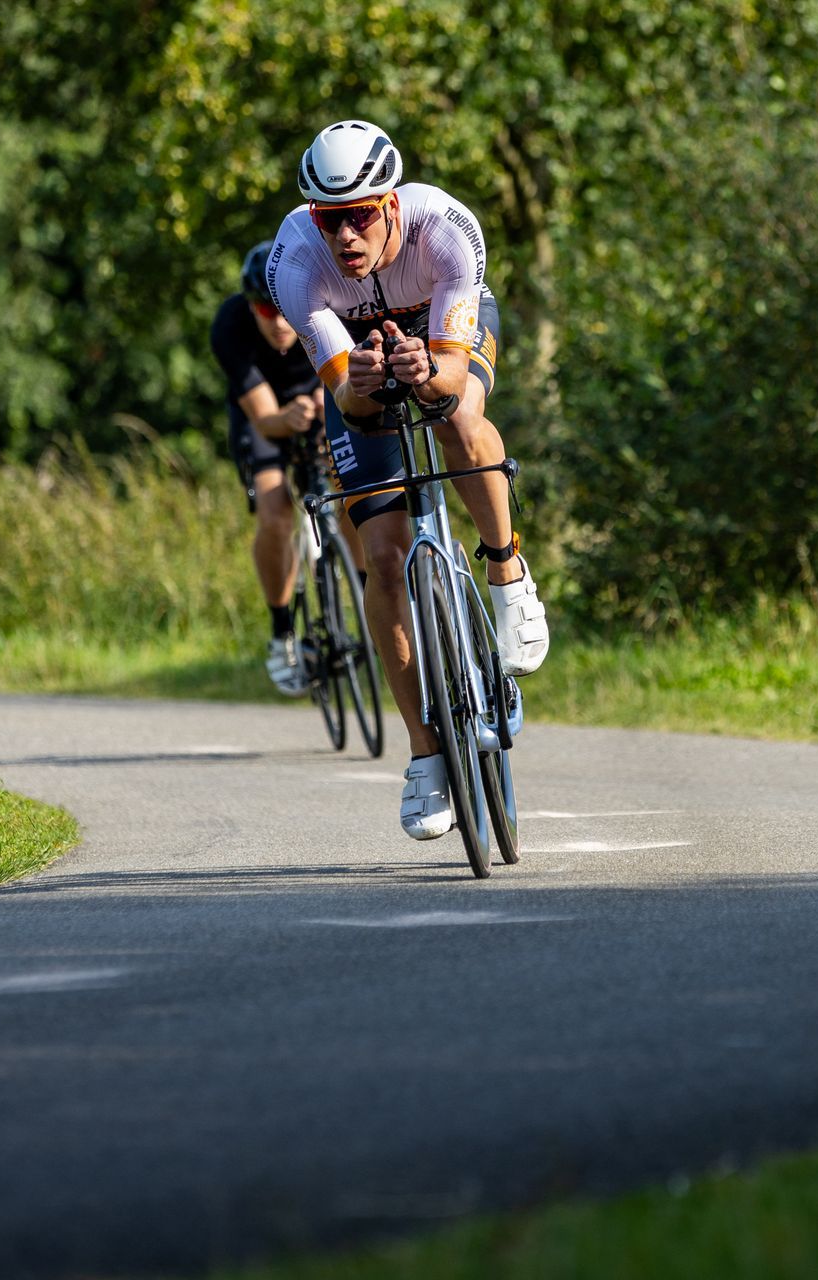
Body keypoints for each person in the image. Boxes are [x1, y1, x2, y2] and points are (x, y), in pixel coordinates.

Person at [268, 118, 549, 840]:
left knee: (456, 419)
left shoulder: (446, 228)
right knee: (383, 558)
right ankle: (426, 758)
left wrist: (428, 370)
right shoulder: (294, 264)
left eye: (361, 215)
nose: (346, 237)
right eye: (331, 220)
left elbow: (453, 377)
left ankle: (509, 575)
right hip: (358, 351)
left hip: (439, 326)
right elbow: (351, 405)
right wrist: (361, 381)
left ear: (391, 205)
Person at [210, 242, 333, 695]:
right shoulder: (230, 326)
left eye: (285, 309)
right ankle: (281, 631)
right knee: (276, 512)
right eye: (265, 309)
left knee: (352, 486)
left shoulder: (325, 303)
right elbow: (263, 417)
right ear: (249, 305)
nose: (279, 323)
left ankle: (364, 592)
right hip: (263, 417)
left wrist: (330, 401)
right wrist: (291, 416)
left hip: (323, 401)